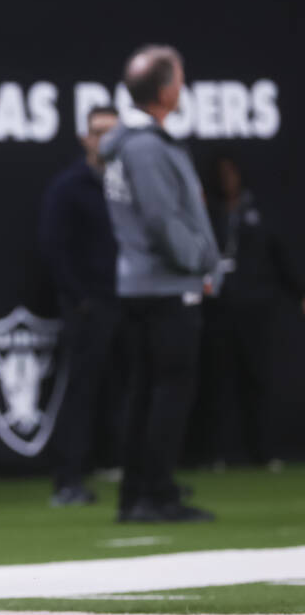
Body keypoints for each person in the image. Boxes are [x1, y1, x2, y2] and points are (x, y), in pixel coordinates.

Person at [100, 44, 220, 524]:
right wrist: (199, 263)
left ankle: (139, 493)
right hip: (165, 286)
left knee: (149, 392)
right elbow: (161, 219)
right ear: (166, 89)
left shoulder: (135, 142)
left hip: (144, 285)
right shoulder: (146, 146)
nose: (184, 86)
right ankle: (154, 494)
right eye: (181, 78)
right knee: (166, 393)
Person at [193, 153, 305, 469]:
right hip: (218, 309)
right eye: (221, 173)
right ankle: (215, 453)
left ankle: (264, 451)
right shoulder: (208, 214)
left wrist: (299, 292)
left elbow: (281, 256)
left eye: (231, 172)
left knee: (257, 380)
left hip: (255, 308)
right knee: (216, 383)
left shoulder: (259, 211)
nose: (227, 179)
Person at [38, 105, 123, 507]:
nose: (104, 139)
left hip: (132, 303)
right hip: (90, 306)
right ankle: (68, 478)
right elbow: (54, 249)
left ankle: (139, 475)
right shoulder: (69, 186)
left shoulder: (130, 184)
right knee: (82, 392)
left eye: (112, 131)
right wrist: (82, 299)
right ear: (85, 138)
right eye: (98, 131)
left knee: (133, 390)